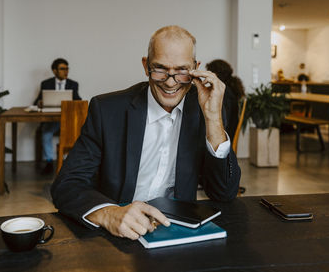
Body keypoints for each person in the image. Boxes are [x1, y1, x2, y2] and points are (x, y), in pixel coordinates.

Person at [51, 25, 241, 240]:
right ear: (145, 65)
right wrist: (108, 214)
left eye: (181, 71)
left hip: (175, 231)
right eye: (160, 69)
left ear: (195, 68)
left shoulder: (204, 111)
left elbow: (224, 193)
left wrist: (213, 119)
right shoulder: (107, 109)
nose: (170, 82)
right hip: (116, 233)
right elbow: (66, 185)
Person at [34, 58, 81, 174]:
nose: (66, 71)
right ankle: (49, 162)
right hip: (52, 120)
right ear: (54, 71)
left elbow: (78, 101)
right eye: (62, 69)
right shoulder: (46, 84)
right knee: (46, 133)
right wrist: (40, 102)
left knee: (76, 134)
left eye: (67, 68)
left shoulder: (73, 84)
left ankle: (69, 163)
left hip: (68, 119)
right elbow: (36, 102)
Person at [206, 59, 245, 140]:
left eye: (209, 73)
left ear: (216, 74)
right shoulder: (230, 89)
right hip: (228, 134)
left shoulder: (225, 93)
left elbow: (223, 122)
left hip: (224, 137)